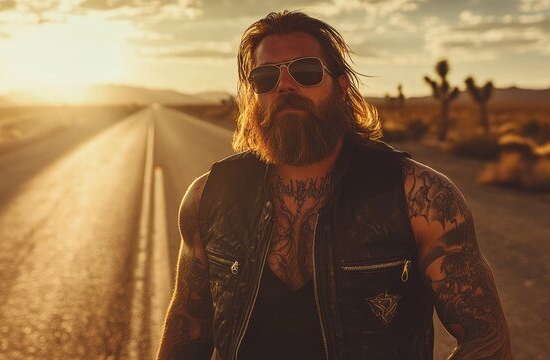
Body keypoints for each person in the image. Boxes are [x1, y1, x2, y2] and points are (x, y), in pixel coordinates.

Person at [157, 10, 512, 360]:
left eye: (305, 71)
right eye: (265, 78)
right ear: (255, 95)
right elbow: (189, 324)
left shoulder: (419, 195)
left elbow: (487, 338)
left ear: (341, 87)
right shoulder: (210, 195)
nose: (285, 85)